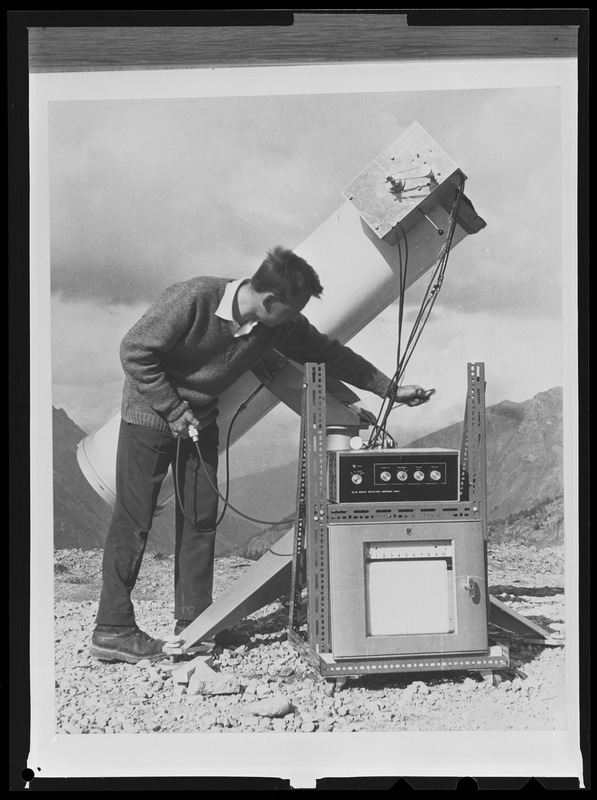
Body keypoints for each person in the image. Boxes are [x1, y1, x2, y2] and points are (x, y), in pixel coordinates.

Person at [89, 246, 433, 664]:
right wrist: (173, 410)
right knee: (135, 518)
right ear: (270, 301)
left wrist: (389, 388)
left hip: (199, 421)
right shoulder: (194, 297)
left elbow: (330, 353)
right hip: (149, 418)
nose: (294, 320)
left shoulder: (277, 326)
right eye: (291, 310)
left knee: (200, 518)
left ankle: (196, 622)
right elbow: (135, 351)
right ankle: (112, 629)